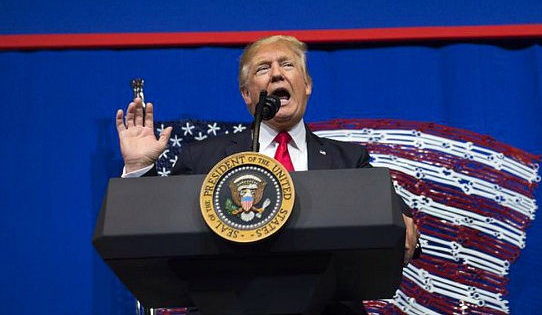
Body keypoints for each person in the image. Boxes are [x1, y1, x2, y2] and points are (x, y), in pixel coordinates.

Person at [116, 35, 419, 282]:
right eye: (263, 68)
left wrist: (399, 219)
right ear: (247, 95)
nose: (276, 73)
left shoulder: (349, 160)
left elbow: (389, 215)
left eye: (287, 64)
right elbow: (158, 229)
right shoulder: (203, 158)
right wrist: (140, 168)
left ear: (308, 85)